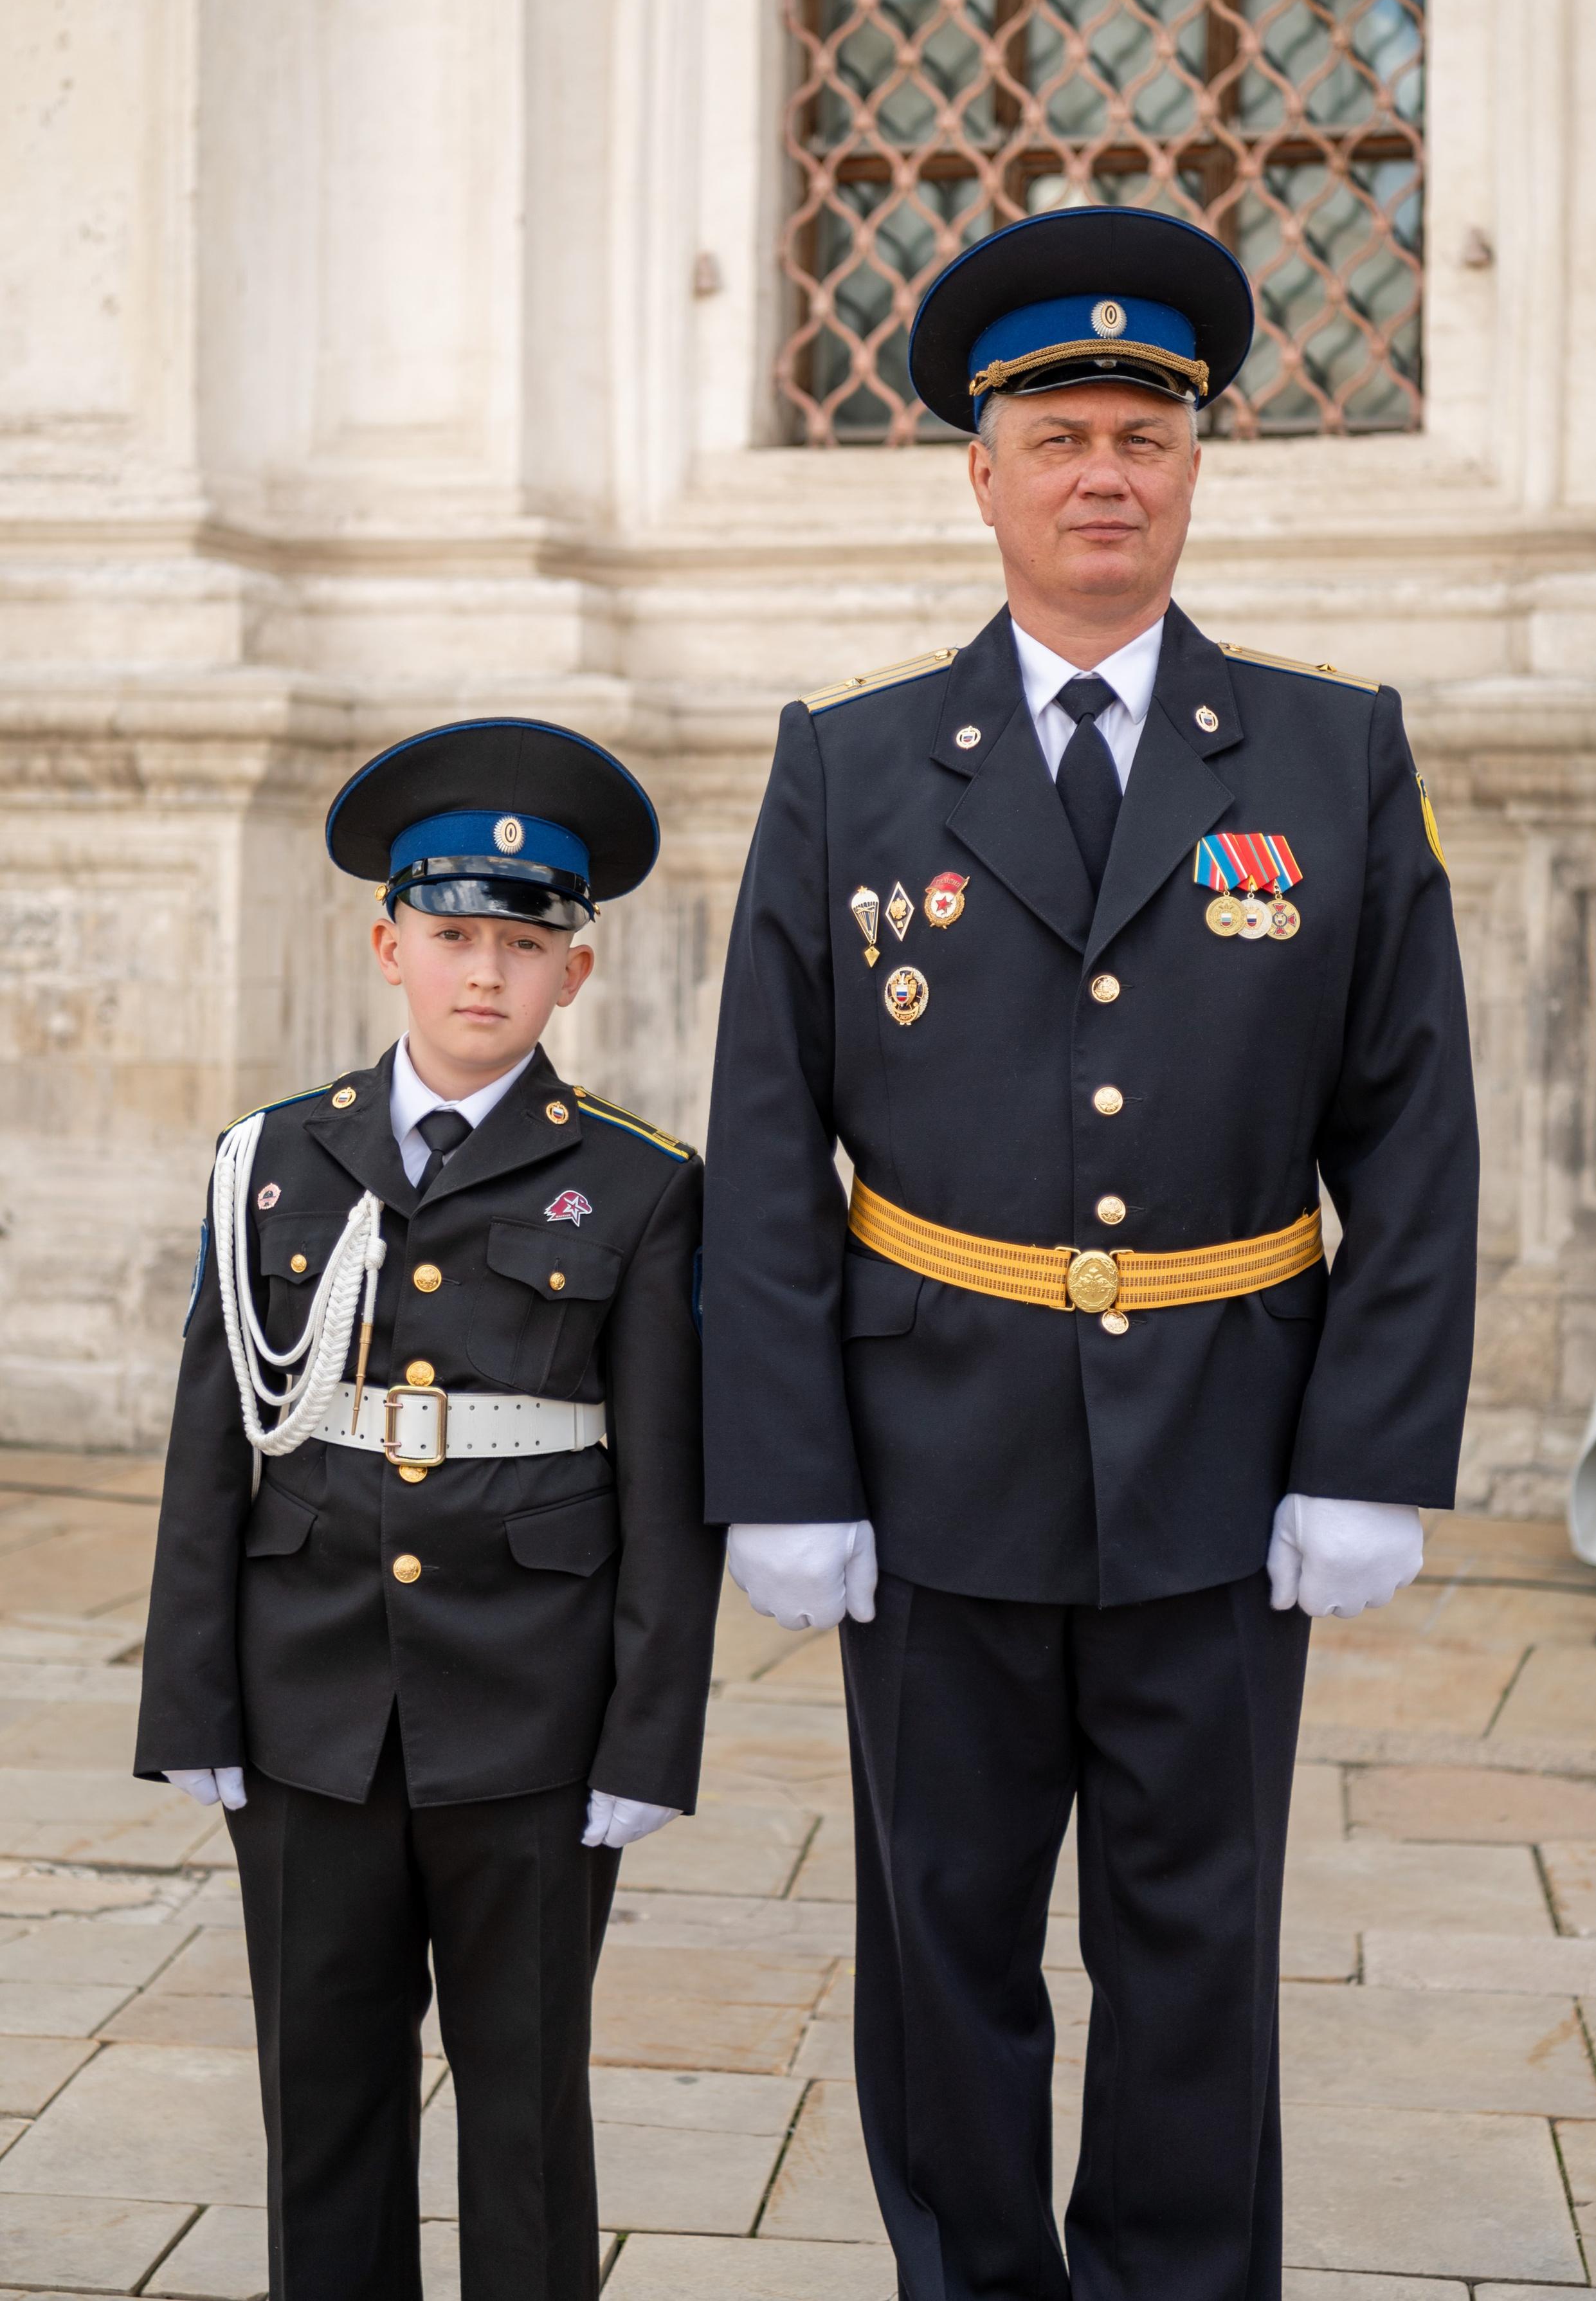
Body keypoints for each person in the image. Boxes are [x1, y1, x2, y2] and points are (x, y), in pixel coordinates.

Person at [701, 207, 1477, 2300]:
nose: (1105, 469)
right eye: (1059, 434)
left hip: (1230, 1462)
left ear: (1198, 461)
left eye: (1145, 428)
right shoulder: (853, 763)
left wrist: (1371, 1448)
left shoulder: (1328, 751)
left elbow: (1411, 1122)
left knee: (1197, 1942)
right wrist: (781, 1465)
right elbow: (769, 1141)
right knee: (940, 1940)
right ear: (984, 470)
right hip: (934, 1451)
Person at [135, 718, 724, 2301]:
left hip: (531, 1717)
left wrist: (647, 1737)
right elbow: (211, 1453)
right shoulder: (268, 1161)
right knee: (319, 2091)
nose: (486, 974)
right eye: (453, 936)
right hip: (307, 1698)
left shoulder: (642, 1183)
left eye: (524, 945)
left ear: (572, 979)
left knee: (524, 2103)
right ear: (387, 942)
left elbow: (672, 1495)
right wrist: (191, 1695)